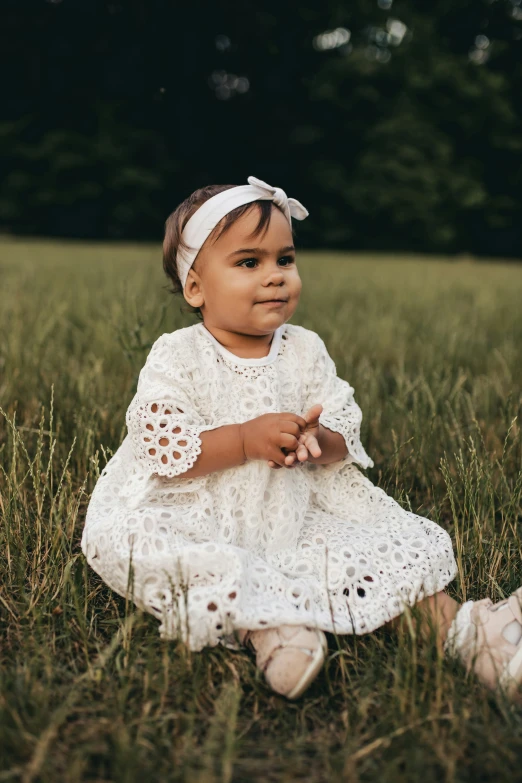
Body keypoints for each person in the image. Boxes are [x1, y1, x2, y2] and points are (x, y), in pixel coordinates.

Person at [81, 176, 522, 701]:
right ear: (196, 287)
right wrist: (245, 440)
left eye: (284, 260)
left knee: (370, 552)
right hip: (201, 504)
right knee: (161, 546)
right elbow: (167, 445)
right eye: (249, 263)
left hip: (296, 506)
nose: (274, 277)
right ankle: (271, 628)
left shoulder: (304, 348)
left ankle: (467, 634)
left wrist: (320, 438)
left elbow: (341, 423)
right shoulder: (179, 355)